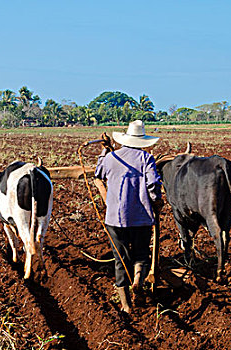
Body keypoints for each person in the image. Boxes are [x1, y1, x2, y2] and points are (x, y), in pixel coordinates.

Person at [94, 120, 163, 313]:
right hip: (141, 217)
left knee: (120, 258)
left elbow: (98, 173)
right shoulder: (146, 159)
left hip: (115, 218)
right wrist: (157, 201)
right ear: (142, 140)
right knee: (141, 253)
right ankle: (138, 281)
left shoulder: (111, 158)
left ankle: (125, 305)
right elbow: (153, 186)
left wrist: (104, 151)